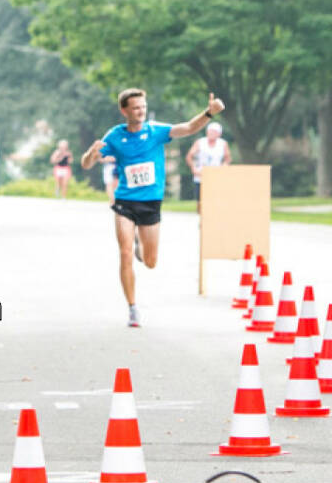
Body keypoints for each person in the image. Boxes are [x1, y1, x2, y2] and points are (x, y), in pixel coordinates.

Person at [81, 88, 225, 327]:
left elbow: (188, 128)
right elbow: (86, 164)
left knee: (150, 261)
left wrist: (209, 113)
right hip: (125, 201)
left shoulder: (156, 131)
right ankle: (132, 307)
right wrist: (91, 153)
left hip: (150, 203)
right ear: (124, 110)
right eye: (136, 108)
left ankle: (141, 248)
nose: (141, 112)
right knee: (124, 253)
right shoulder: (115, 136)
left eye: (143, 107)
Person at [186, 122, 231, 209]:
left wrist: (224, 167)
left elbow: (227, 158)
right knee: (200, 201)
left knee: (214, 200)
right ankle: (201, 218)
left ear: (219, 134)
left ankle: (212, 219)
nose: (212, 133)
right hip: (201, 176)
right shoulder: (200, 142)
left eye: (214, 132)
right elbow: (189, 156)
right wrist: (193, 168)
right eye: (210, 131)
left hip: (215, 176)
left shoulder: (223, 144)